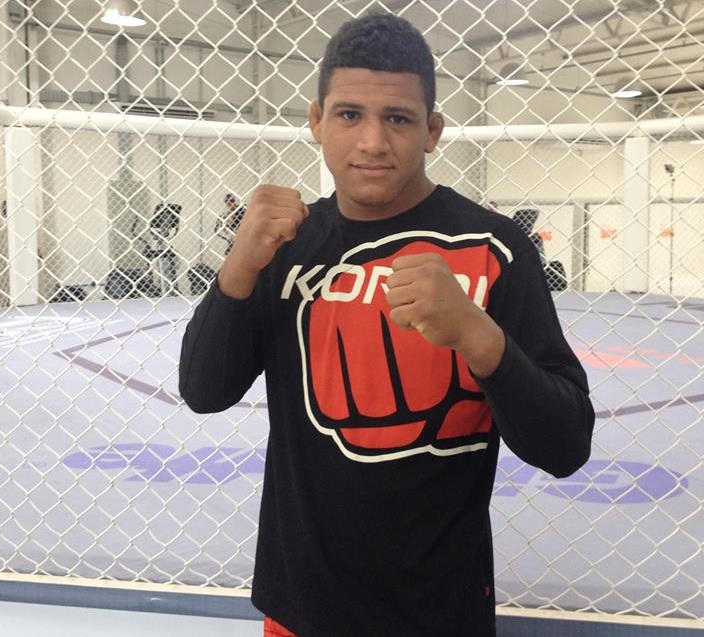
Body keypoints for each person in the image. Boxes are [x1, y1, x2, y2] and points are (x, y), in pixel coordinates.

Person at [179, 12, 594, 637]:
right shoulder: (287, 244)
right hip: (302, 606)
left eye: (397, 119)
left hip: (439, 611)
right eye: (349, 115)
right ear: (316, 122)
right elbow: (204, 391)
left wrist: (477, 335)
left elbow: (565, 446)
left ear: (432, 131)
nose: (372, 141)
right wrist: (238, 267)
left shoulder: (492, 248)